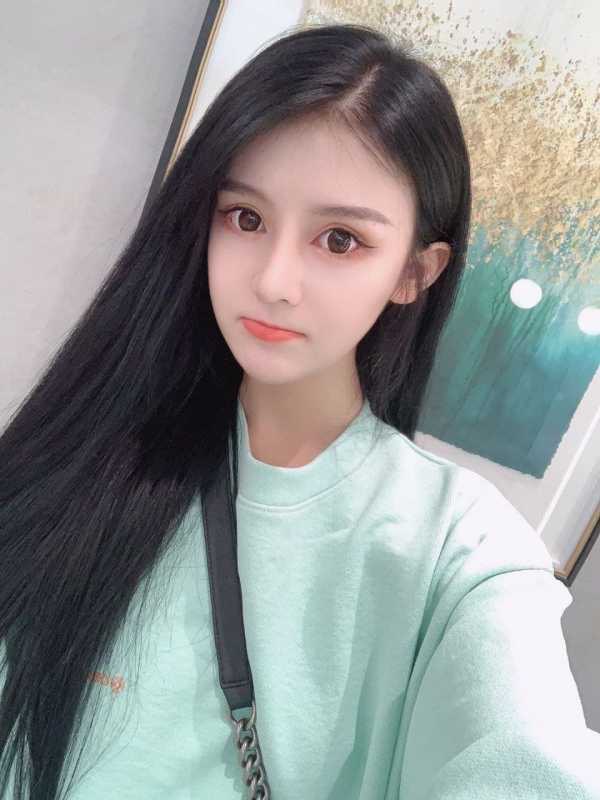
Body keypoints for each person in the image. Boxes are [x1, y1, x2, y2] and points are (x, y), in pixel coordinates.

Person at [0, 20, 599, 800]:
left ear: (414, 273)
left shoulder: (460, 550)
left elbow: (527, 761)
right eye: (246, 218)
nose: (274, 280)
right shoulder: (88, 447)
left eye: (340, 240)